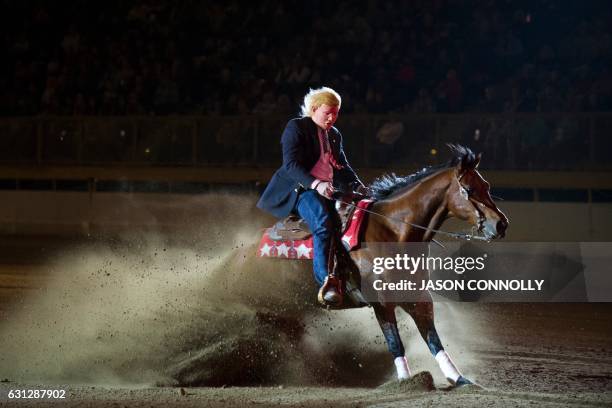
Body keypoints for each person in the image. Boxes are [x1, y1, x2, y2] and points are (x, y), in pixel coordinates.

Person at [257, 87, 366, 306]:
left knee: (356, 218)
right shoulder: (297, 127)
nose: (332, 118)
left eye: (336, 113)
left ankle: (353, 276)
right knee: (323, 223)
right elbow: (291, 165)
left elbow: (343, 167)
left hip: (327, 189)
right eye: (328, 113)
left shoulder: (334, 135)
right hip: (300, 190)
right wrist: (316, 184)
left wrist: (358, 186)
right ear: (314, 109)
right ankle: (326, 283)